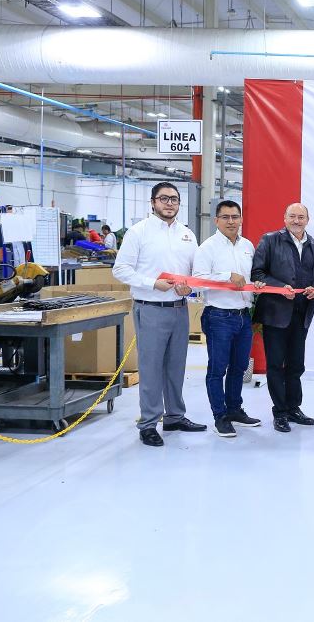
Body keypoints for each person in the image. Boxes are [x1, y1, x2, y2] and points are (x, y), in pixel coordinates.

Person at [112, 181, 203, 447]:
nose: (169, 203)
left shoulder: (187, 235)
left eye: (174, 199)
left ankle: (175, 416)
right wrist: (153, 283)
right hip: (151, 308)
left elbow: (194, 272)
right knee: (151, 369)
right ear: (153, 202)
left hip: (179, 308)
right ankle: (149, 423)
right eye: (164, 198)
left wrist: (190, 288)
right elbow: (120, 269)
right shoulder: (138, 232)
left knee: (176, 366)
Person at [192, 200, 264, 439]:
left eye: (235, 217)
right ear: (216, 220)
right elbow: (198, 281)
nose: (231, 221)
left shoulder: (247, 246)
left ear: (241, 219)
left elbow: (251, 277)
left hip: (243, 316)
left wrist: (258, 285)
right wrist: (227, 276)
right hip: (218, 316)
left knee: (239, 367)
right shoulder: (207, 248)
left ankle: (234, 409)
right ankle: (220, 416)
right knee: (217, 369)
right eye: (225, 217)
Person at [251, 203, 314, 433]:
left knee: (296, 365)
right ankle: (279, 412)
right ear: (284, 218)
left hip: (302, 314)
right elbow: (257, 273)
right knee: (275, 365)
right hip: (275, 314)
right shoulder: (270, 240)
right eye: (292, 216)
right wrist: (279, 287)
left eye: (301, 217)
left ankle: (293, 408)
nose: (296, 221)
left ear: (307, 220)